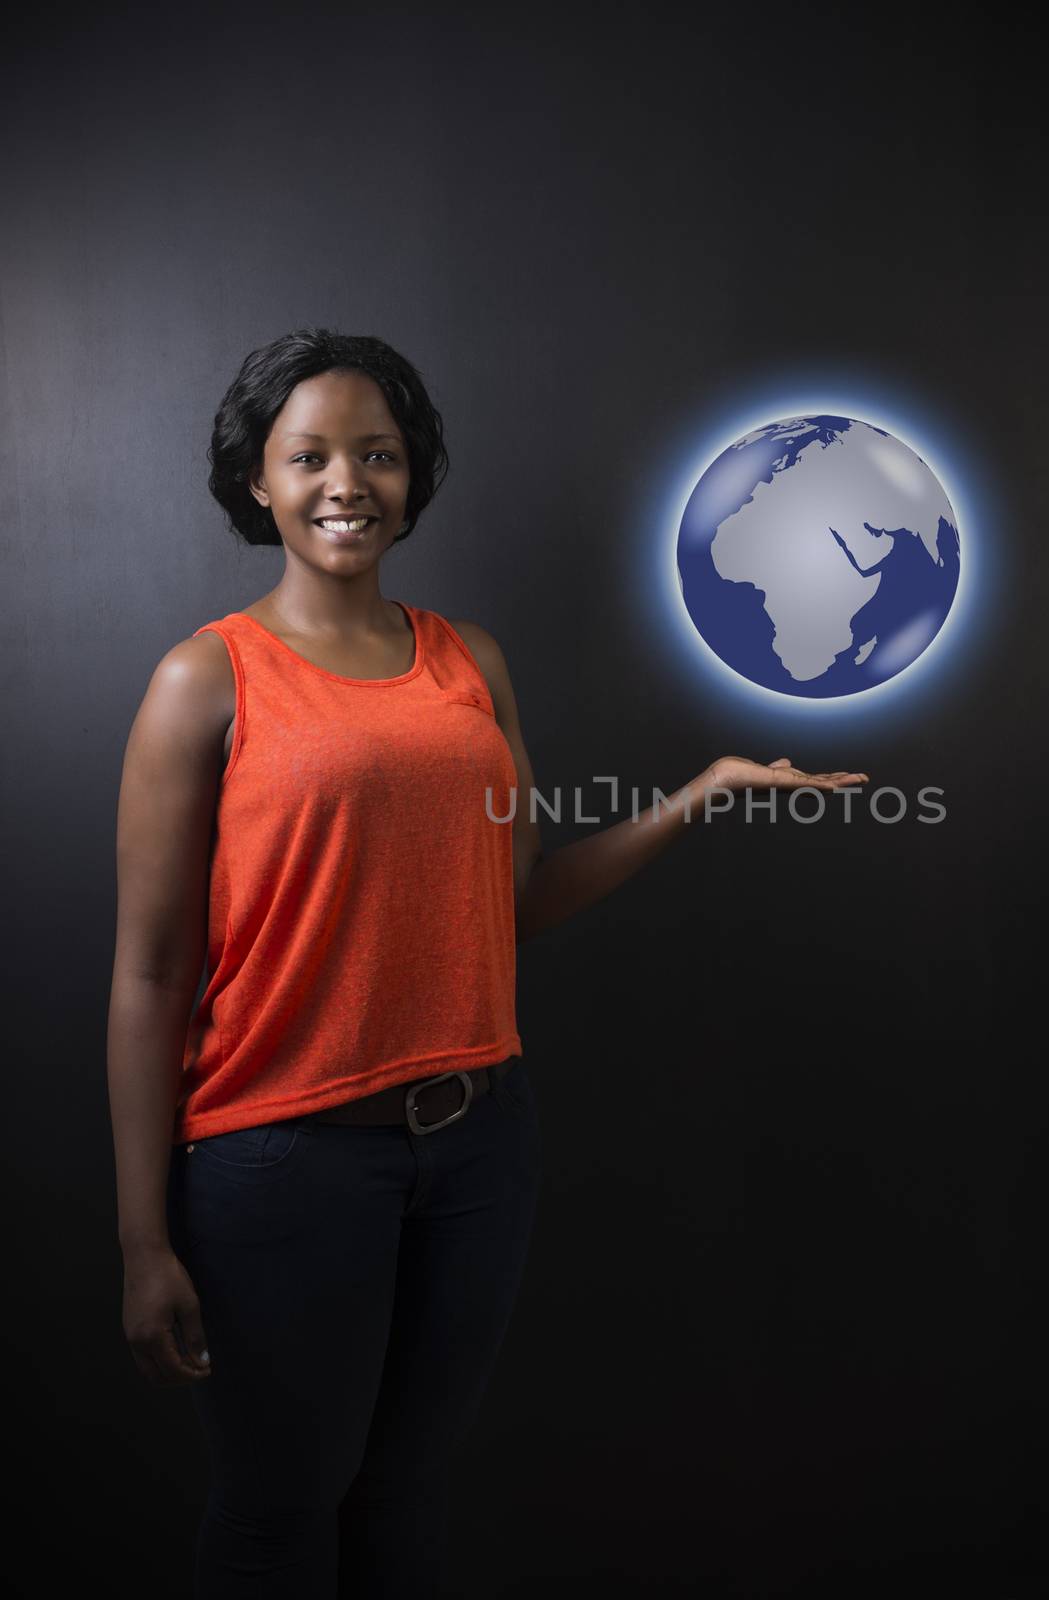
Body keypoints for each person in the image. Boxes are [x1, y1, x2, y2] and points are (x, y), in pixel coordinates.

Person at [107, 327, 868, 1598]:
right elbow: (145, 977)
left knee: (404, 1503)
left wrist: (698, 795)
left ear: (413, 477)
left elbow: (509, 905)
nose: (347, 480)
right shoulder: (206, 680)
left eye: (379, 454)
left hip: (477, 1146)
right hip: (285, 1158)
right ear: (258, 480)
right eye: (310, 456)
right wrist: (142, 1239)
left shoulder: (470, 661)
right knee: (278, 1512)